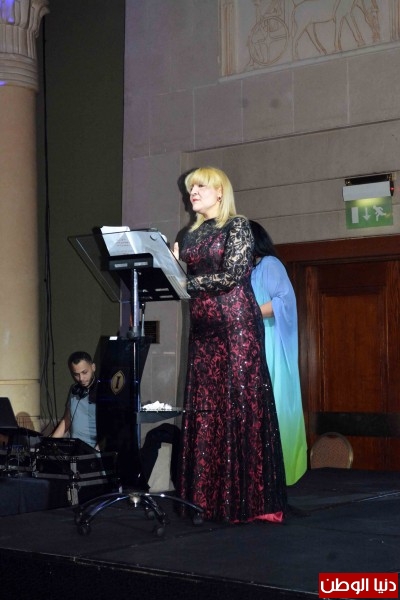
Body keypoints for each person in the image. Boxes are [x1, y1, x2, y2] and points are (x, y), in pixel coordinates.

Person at [173, 166, 287, 523]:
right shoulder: (188, 235)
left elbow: (233, 274)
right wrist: (170, 265)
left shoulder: (237, 225)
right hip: (203, 329)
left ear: (220, 192)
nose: (193, 192)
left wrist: (186, 282)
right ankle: (206, 500)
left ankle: (248, 502)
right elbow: (179, 280)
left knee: (239, 402)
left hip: (237, 327)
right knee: (207, 408)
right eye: (191, 188)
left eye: (201, 186)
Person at [249, 220, 307, 485]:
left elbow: (284, 301)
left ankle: (277, 472)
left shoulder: (269, 264)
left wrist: (246, 313)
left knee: (275, 405)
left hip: (270, 342)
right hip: (256, 342)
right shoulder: (251, 270)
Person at [51, 351, 98, 449]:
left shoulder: (103, 392)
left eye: (84, 372)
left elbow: (111, 430)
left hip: (93, 451)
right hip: (74, 448)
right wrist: (50, 443)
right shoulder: (74, 390)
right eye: (76, 374)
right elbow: (67, 419)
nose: (81, 378)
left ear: (93, 367)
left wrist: (96, 453)